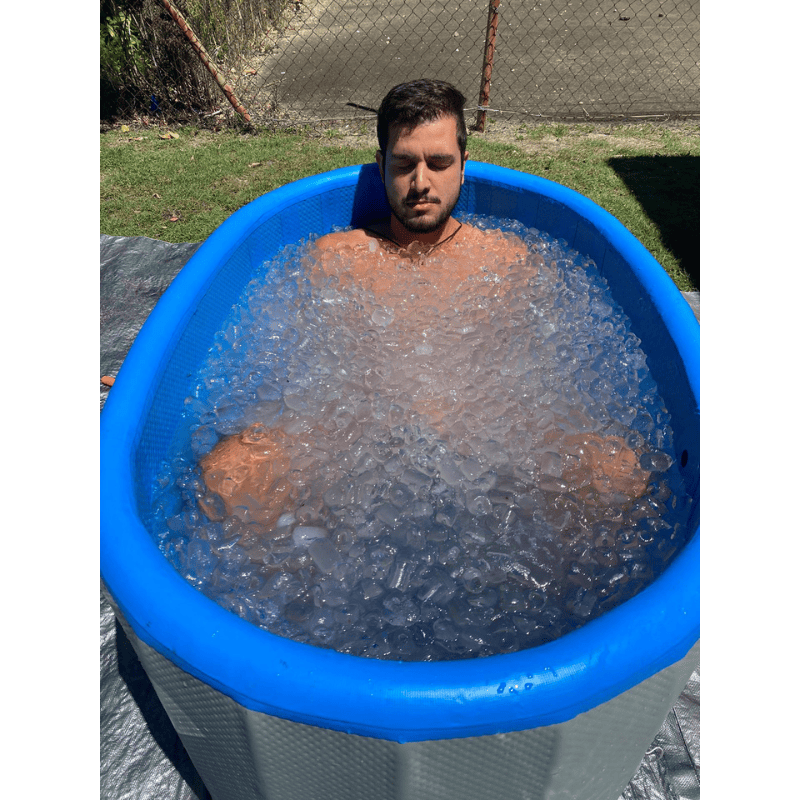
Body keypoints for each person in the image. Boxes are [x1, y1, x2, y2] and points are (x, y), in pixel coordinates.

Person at [200, 79, 651, 530]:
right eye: (404, 164)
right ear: (381, 167)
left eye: (438, 163)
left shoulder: (508, 257)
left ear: (463, 166)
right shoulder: (334, 256)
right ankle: (287, 590)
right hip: (357, 428)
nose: (421, 182)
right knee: (230, 472)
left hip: (490, 429)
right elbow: (288, 359)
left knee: (615, 473)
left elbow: (548, 368)